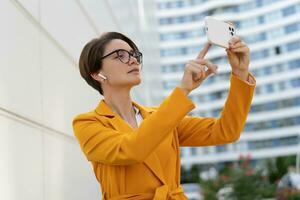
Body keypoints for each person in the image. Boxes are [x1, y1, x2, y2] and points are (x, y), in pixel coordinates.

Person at [72, 31, 256, 200]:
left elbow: (226, 131)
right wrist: (183, 90)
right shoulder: (87, 123)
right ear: (97, 74)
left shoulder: (160, 116)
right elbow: (130, 150)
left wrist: (240, 74)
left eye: (135, 55)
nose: (133, 60)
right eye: (120, 55)